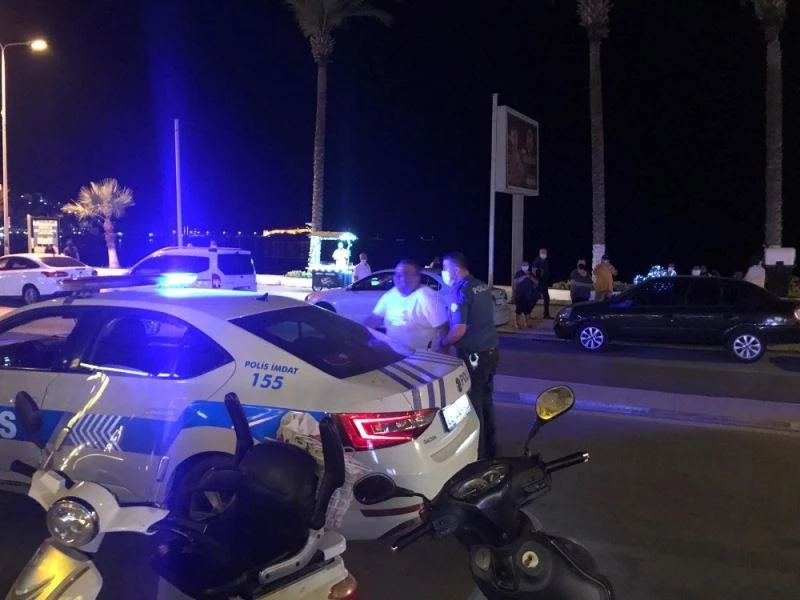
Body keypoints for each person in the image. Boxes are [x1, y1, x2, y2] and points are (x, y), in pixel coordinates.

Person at [436, 252, 499, 459]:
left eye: (446, 268)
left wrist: (442, 343)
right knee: (487, 401)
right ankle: (491, 448)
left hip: (474, 356)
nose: (444, 272)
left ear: (455, 269)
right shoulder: (481, 285)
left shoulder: (460, 290)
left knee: (474, 403)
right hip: (491, 351)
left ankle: (478, 454)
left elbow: (459, 330)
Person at [364, 260, 448, 351]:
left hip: (420, 356)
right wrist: (360, 332)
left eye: (403, 274)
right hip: (394, 353)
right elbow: (375, 318)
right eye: (396, 274)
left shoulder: (426, 297)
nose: (398, 277)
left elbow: (443, 328)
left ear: (416, 278)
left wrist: (444, 350)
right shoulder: (391, 294)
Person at [512, 261, 537, 328]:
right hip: (520, 294)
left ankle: (527, 323)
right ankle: (517, 324)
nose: (525, 266)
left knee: (527, 310)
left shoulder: (530, 273)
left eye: (526, 265)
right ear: (521, 266)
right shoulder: (519, 273)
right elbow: (516, 281)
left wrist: (530, 277)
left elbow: (536, 282)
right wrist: (525, 276)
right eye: (524, 265)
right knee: (519, 310)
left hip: (528, 294)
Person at [531, 248, 552, 318]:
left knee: (546, 299)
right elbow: (533, 271)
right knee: (535, 298)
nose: (544, 254)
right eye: (542, 252)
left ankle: (546, 314)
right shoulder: (537, 261)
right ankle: (527, 312)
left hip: (544, 283)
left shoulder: (545, 261)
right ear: (539, 253)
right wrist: (535, 281)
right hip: (539, 283)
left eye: (545, 252)